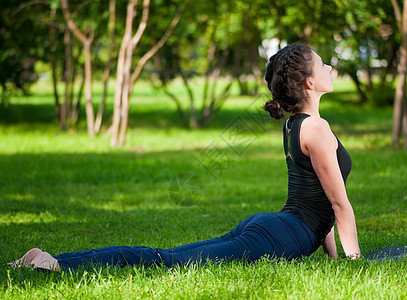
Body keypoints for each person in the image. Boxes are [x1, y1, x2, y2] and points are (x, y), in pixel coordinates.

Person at [9, 43, 360, 272]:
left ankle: (49, 260)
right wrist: (354, 261)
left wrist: (331, 258)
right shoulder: (316, 127)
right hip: (278, 234)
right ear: (310, 83)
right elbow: (338, 204)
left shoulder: (296, 125)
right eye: (322, 63)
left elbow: (316, 200)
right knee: (168, 261)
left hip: (273, 225)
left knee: (167, 256)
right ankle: (54, 265)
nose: (329, 66)